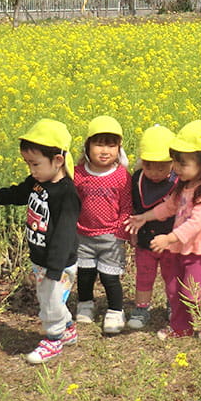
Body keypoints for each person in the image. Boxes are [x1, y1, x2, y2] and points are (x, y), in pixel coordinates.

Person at [0, 119, 80, 364]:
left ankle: (53, 339)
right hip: (40, 258)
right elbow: (18, 193)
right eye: (28, 163)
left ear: (58, 160)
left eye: (35, 164)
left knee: (49, 302)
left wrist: (55, 270)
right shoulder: (38, 182)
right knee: (51, 299)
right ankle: (67, 328)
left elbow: (65, 235)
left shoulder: (67, 194)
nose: (31, 169)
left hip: (58, 262)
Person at [124, 121, 201, 341]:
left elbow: (194, 223)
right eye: (176, 163)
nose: (176, 169)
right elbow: (169, 207)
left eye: (182, 164)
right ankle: (181, 326)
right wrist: (145, 217)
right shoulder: (184, 184)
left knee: (191, 292)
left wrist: (169, 238)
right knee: (173, 288)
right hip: (180, 248)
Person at [74, 115, 133, 335]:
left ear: (119, 148)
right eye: (99, 144)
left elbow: (127, 206)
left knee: (110, 277)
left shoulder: (121, 176)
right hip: (83, 234)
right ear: (87, 146)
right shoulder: (78, 174)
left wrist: (121, 233)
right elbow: (72, 202)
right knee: (85, 273)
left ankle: (116, 311)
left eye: (111, 144)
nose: (105, 150)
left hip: (111, 235)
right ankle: (85, 304)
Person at [127, 125, 178, 330]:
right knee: (144, 275)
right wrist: (133, 233)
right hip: (145, 241)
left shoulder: (179, 181)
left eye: (161, 167)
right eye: (149, 166)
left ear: (173, 162)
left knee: (172, 276)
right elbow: (134, 208)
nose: (154, 173)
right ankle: (141, 308)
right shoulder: (137, 178)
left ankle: (173, 305)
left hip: (171, 241)